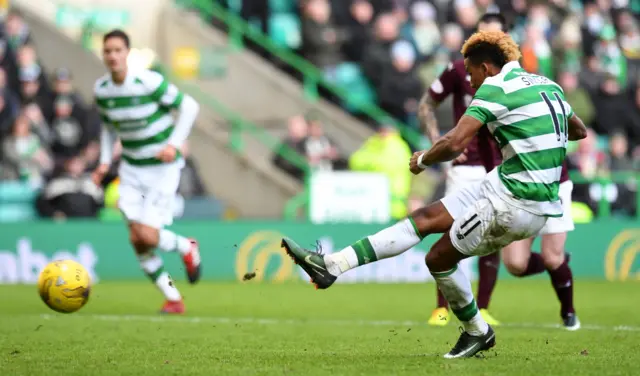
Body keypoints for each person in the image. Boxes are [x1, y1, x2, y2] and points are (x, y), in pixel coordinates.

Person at [282, 30, 587, 358]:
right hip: (511, 186)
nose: (470, 82)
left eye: (471, 73)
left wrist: (423, 159)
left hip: (513, 202)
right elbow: (579, 130)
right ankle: (332, 265)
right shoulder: (548, 85)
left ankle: (477, 332)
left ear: (487, 67)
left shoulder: (497, 88)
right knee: (424, 217)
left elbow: (456, 142)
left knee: (438, 258)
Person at [91, 30, 201, 315]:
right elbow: (106, 128)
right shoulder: (102, 90)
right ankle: (173, 298)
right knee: (137, 239)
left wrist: (174, 145)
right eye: (108, 51)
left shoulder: (147, 81)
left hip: (161, 170)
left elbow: (189, 106)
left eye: (117, 50)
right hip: (131, 169)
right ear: (103, 55)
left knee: (148, 236)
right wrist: (104, 162)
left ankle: (186, 247)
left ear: (127, 52)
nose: (112, 56)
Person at [418, 12, 506, 327]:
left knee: (493, 234)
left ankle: (483, 307)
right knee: (449, 230)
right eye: (483, 35)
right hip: (464, 166)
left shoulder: (515, 80)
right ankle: (441, 306)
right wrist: (436, 147)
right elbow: (426, 104)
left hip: (499, 168)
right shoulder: (458, 71)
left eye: (495, 37)